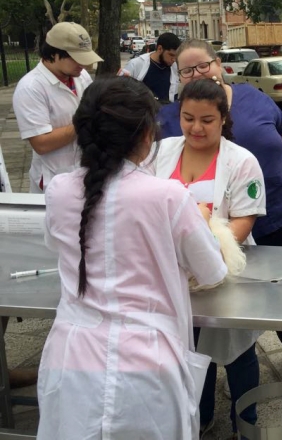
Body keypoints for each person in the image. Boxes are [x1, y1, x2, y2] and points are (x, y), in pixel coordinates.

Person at [38, 77, 228, 440]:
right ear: (146, 135)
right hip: (147, 366)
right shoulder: (168, 197)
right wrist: (199, 224)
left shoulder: (60, 190)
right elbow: (212, 270)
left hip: (71, 357)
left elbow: (58, 243)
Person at [157, 39, 282, 377]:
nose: (196, 73)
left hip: (274, 211)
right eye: (186, 70)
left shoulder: (254, 97)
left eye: (203, 65)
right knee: (225, 305)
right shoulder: (168, 119)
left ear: (217, 64)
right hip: (212, 231)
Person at [155, 77, 266, 438]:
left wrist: (205, 253)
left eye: (206, 120)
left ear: (223, 119)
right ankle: (199, 416)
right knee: (187, 345)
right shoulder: (160, 153)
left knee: (236, 348)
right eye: (188, 118)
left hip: (224, 270)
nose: (196, 128)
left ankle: (245, 422)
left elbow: (243, 221)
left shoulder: (241, 161)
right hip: (169, 274)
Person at [12, 22, 102, 193]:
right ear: (54, 54)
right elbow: (41, 143)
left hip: (85, 171)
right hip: (54, 180)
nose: (83, 65)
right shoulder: (31, 88)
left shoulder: (80, 76)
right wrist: (86, 121)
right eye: (77, 58)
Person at [118, 32, 181, 103]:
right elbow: (122, 93)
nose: (174, 59)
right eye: (171, 55)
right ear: (160, 49)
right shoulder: (136, 65)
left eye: (176, 56)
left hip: (166, 112)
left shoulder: (175, 67)